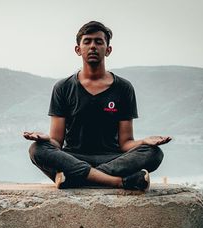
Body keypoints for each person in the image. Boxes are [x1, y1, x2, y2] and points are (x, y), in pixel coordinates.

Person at [23, 21, 171, 191]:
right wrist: (46, 140)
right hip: (73, 157)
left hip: (112, 159)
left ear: (108, 50)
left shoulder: (123, 88)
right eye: (87, 41)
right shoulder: (63, 87)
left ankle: (74, 179)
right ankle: (117, 182)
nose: (93, 46)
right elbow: (57, 141)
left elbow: (125, 143)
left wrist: (144, 142)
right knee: (37, 150)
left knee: (154, 153)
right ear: (78, 49)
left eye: (99, 42)